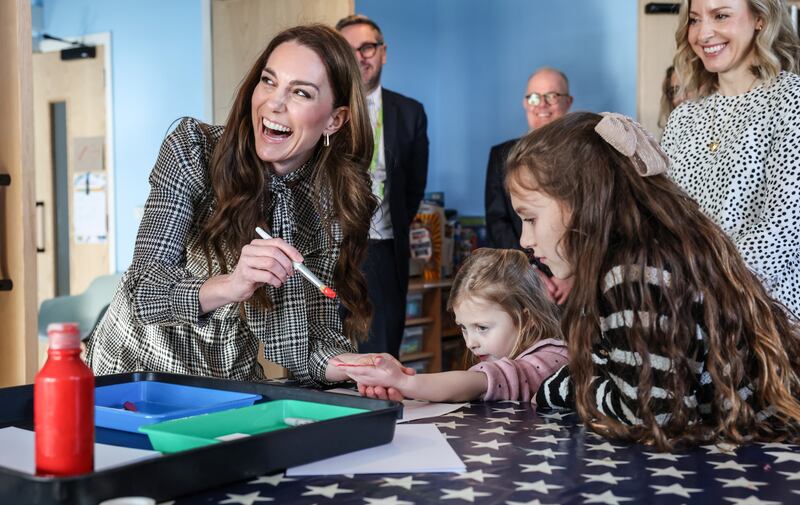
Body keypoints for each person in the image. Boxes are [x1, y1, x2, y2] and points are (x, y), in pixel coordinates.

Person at [86, 24, 387, 386]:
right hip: (135, 375)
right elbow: (144, 291)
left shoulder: (329, 201)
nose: (274, 103)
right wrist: (233, 284)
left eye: (301, 93)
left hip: (225, 382)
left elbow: (306, 343)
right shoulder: (193, 152)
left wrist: (363, 367)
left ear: (334, 120)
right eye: (269, 80)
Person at [506, 111, 800, 450]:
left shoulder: (633, 278)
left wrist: (560, 388)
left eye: (530, 218)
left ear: (584, 203)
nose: (524, 240)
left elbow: (651, 414)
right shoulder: (647, 260)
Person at [661, 0, 800, 316]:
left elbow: (778, 235)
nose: (704, 33)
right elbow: (664, 221)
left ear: (760, 19)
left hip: (766, 321)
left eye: (721, 16)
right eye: (695, 20)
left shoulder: (791, 101)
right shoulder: (683, 118)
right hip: (688, 324)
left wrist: (695, 291)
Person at [339, 248, 567, 402]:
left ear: (526, 319)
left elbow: (482, 380)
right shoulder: (502, 354)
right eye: (464, 328)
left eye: (482, 328)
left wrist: (405, 382)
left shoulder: (553, 357)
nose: (471, 343)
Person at [336, 15, 430, 358]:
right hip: (331, 249)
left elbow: (415, 185)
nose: (360, 56)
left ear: (383, 52)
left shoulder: (410, 112)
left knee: (382, 351)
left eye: (368, 47)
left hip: (385, 249)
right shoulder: (322, 107)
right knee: (324, 355)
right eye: (349, 49)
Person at [485, 67, 574, 304]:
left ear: (568, 102)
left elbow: (594, 218)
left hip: (577, 284)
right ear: (525, 104)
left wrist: (572, 273)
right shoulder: (501, 155)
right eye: (534, 97)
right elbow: (498, 222)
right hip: (521, 281)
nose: (542, 105)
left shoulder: (584, 156)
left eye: (552, 96)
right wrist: (530, 272)